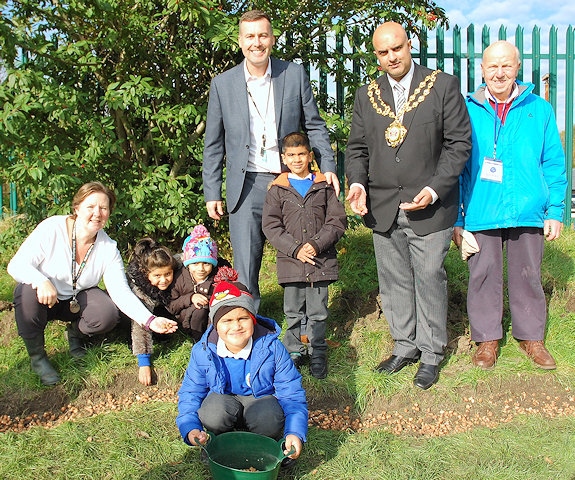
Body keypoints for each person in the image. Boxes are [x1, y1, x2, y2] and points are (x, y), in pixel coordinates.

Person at [345, 22, 472, 390]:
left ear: (409, 45)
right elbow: (357, 149)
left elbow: (458, 144)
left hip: (430, 205)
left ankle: (432, 352)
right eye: (383, 53)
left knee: (429, 276)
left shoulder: (442, 85)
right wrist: (356, 182)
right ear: (376, 55)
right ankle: (405, 345)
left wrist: (434, 189)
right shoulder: (366, 94)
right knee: (394, 279)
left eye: (397, 48)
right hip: (382, 205)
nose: (391, 57)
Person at [202, 9, 340, 311]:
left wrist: (327, 167)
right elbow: (213, 142)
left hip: (288, 182)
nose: (257, 42)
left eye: (262, 35)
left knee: (299, 255)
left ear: (272, 39)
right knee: (246, 266)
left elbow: (314, 125)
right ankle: (247, 329)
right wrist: (212, 191)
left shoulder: (292, 74)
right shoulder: (222, 85)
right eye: (250, 36)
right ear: (240, 41)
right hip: (246, 184)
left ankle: (302, 331)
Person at [453, 40, 567, 371]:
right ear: (482, 70)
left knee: (528, 275)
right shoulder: (467, 109)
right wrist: (458, 219)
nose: (499, 73)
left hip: (528, 208)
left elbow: (554, 164)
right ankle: (487, 339)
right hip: (481, 209)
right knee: (483, 276)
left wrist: (555, 210)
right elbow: (457, 165)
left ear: (517, 68)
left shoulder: (539, 109)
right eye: (493, 66)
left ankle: (531, 337)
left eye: (506, 65)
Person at [7, 181, 178, 386]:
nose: (97, 213)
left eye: (103, 208)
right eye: (90, 207)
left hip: (75, 299)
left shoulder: (108, 248)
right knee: (26, 293)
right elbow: (16, 265)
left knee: (107, 313)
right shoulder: (52, 228)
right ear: (77, 208)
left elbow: (120, 293)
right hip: (44, 297)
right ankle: (38, 358)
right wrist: (40, 280)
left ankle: (75, 334)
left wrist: (150, 320)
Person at [176, 267, 307, 464]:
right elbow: (191, 392)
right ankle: (217, 439)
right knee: (212, 414)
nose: (236, 326)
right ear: (215, 325)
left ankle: (267, 441)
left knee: (268, 418)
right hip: (223, 401)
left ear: (253, 320)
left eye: (243, 318)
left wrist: (294, 432)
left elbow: (291, 392)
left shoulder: (272, 347)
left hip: (260, 400)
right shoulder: (203, 351)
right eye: (227, 320)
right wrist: (190, 427)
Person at [262, 131, 347, 379]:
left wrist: (316, 244)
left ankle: (317, 351)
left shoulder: (323, 186)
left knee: (318, 310)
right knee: (293, 310)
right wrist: (295, 249)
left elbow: (337, 221)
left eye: (301, 154)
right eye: (291, 155)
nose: (297, 159)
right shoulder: (277, 190)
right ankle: (294, 351)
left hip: (320, 261)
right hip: (291, 262)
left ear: (310, 155)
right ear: (283, 158)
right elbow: (271, 226)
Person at [126, 238, 179, 386]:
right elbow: (140, 324)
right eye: (157, 276)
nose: (163, 280)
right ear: (146, 273)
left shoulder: (176, 265)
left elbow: (188, 257)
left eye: (168, 274)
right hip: (127, 314)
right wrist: (144, 363)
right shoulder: (139, 290)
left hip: (162, 305)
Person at [168, 225, 222, 342]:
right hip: (187, 318)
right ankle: (198, 341)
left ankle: (215, 338)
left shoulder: (217, 277)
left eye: (206, 263)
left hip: (212, 315)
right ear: (188, 264)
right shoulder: (179, 278)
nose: (201, 269)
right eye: (195, 264)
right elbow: (171, 306)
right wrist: (190, 297)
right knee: (199, 310)